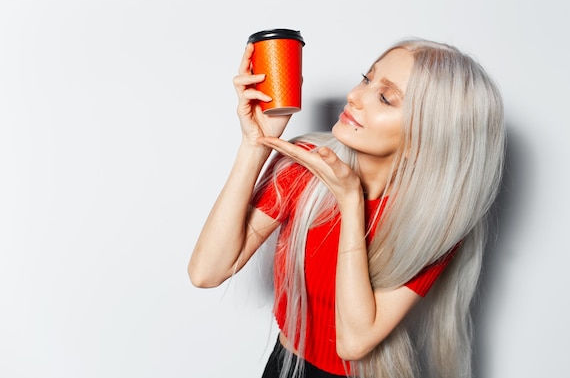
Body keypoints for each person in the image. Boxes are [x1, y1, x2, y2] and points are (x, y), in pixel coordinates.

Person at [188, 37, 506, 378]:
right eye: (366, 79)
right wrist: (255, 144)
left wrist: (350, 201)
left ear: (427, 137)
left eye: (385, 97)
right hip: (287, 368)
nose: (354, 95)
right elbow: (206, 272)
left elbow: (353, 343)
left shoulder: (432, 223)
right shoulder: (304, 166)